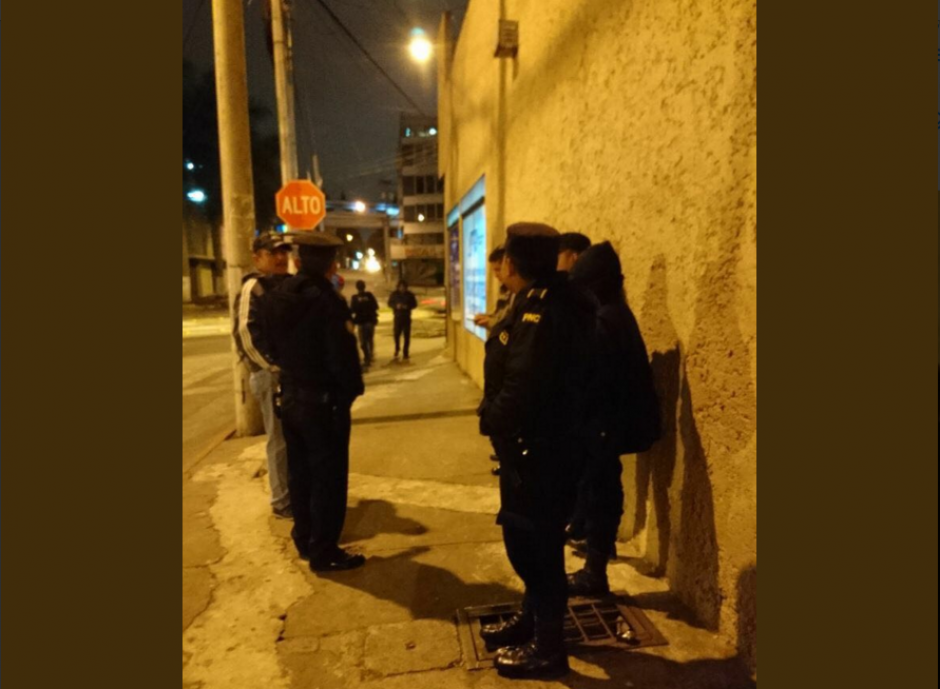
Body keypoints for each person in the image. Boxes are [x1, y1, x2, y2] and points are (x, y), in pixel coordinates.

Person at [477, 222, 596, 680]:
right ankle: (532, 620)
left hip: (541, 450)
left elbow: (523, 384)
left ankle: (548, 648)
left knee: (535, 548)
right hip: (537, 447)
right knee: (527, 540)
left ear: (510, 262)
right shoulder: (540, 300)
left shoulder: (545, 310)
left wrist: (491, 420)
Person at [264, 232, 366, 573]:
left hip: (291, 397)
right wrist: (350, 394)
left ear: (298, 260)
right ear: (331, 263)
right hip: (323, 405)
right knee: (328, 478)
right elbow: (343, 359)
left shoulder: (279, 294)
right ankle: (325, 551)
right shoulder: (327, 301)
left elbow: (269, 343)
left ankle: (305, 538)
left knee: (300, 474)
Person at [566, 242, 661, 596]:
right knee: (601, 489)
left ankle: (595, 571)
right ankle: (597, 561)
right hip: (609, 423)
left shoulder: (606, 318)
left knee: (600, 491)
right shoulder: (615, 312)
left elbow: (597, 378)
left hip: (604, 424)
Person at [232, 232, 292, 519]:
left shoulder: (284, 286)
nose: (281, 257)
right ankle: (282, 502)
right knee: (279, 439)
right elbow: (245, 334)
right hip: (271, 376)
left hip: (290, 374)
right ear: (257, 258)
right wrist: (272, 368)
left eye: (283, 251)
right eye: (273, 253)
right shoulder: (254, 287)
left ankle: (295, 493)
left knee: (295, 438)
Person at [474, 246, 515, 476]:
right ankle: (504, 455)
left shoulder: (521, 295)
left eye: (499, 269)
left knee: (498, 413)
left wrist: (490, 321)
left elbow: (506, 323)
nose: (498, 275)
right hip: (499, 362)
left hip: (506, 367)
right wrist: (489, 318)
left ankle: (506, 459)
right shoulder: (506, 290)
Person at [350, 280, 379, 369]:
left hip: (365, 321)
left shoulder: (359, 297)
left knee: (365, 341)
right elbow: (375, 306)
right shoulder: (365, 296)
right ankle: (369, 355)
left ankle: (368, 356)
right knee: (367, 340)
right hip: (365, 321)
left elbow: (352, 309)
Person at [388, 279, 418, 361]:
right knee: (396, 334)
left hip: (406, 317)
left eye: (403, 287)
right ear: (398, 287)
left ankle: (406, 352)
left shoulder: (410, 295)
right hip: (397, 317)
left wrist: (407, 306)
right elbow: (389, 303)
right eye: (400, 287)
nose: (402, 288)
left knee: (406, 336)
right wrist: (396, 306)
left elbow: (415, 304)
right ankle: (397, 348)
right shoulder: (394, 294)